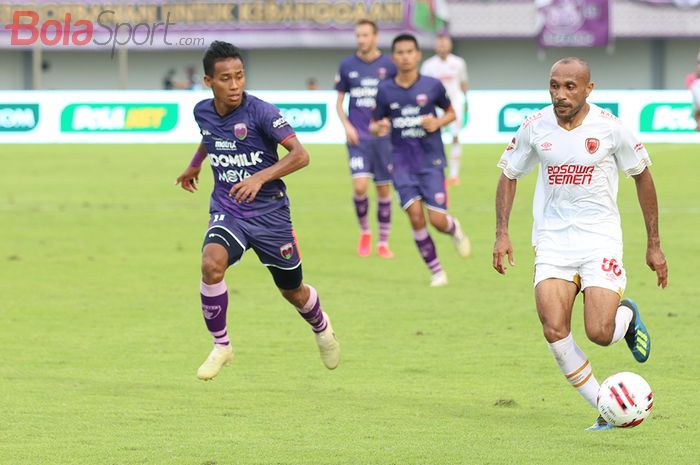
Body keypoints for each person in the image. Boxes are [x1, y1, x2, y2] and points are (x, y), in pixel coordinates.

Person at [492, 57, 668, 430]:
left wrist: (654, 244)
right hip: (553, 241)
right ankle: (605, 410)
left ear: (589, 88)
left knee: (599, 333)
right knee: (554, 329)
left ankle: (627, 315)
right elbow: (509, 175)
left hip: (600, 239)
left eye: (570, 86)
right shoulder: (534, 126)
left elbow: (642, 176)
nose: (561, 94)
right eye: (555, 85)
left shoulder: (610, 128)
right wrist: (502, 233)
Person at [175, 41, 340, 380]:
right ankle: (222, 345)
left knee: (292, 290)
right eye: (225, 79)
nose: (234, 85)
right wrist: (194, 166)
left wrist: (259, 178)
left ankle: (321, 327)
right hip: (228, 208)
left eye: (239, 76)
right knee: (211, 265)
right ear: (209, 82)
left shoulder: (262, 112)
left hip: (270, 216)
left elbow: (300, 155)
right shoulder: (201, 111)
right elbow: (210, 137)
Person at [371, 34, 471, 287]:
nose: (405, 56)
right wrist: (379, 128)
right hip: (401, 163)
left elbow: (451, 113)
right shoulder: (384, 90)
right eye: (400, 53)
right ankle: (437, 272)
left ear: (417, 55)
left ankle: (453, 228)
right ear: (394, 58)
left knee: (436, 221)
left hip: (430, 161)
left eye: (409, 52)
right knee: (415, 216)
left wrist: (437, 122)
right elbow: (375, 123)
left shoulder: (432, 86)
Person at [335, 19, 397, 258]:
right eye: (358, 35)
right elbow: (339, 102)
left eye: (365, 35)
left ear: (375, 37)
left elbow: (396, 99)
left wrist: (388, 122)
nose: (361, 39)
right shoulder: (347, 65)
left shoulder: (389, 66)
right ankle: (365, 232)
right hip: (357, 138)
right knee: (360, 186)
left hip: (383, 139)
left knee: (383, 190)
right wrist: (346, 125)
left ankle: (383, 242)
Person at [420, 35, 468, 185]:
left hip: (454, 105)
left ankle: (454, 175)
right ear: (435, 46)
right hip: (435, 107)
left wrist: (466, 102)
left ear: (450, 45)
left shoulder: (459, 63)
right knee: (434, 139)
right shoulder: (428, 65)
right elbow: (422, 87)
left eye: (445, 44)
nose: (442, 47)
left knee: (455, 137)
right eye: (439, 44)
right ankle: (435, 170)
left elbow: (463, 83)